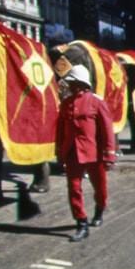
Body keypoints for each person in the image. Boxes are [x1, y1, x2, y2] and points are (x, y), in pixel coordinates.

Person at [54, 64, 117, 242]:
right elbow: (60, 130)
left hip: (93, 153)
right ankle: (81, 223)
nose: (72, 87)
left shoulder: (96, 102)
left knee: (100, 188)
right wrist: (59, 151)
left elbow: (107, 130)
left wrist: (109, 155)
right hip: (72, 152)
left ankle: (100, 209)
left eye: (75, 83)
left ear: (83, 84)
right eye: (70, 83)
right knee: (74, 188)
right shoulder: (66, 103)